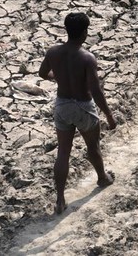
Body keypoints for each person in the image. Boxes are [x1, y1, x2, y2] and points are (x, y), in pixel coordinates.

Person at [38, 12, 116, 215]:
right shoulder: (86, 58)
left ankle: (60, 199)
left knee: (63, 152)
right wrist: (108, 114)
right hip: (83, 106)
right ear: (83, 33)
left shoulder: (53, 52)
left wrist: (58, 77)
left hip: (62, 105)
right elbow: (96, 90)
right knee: (92, 145)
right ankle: (101, 177)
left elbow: (42, 73)